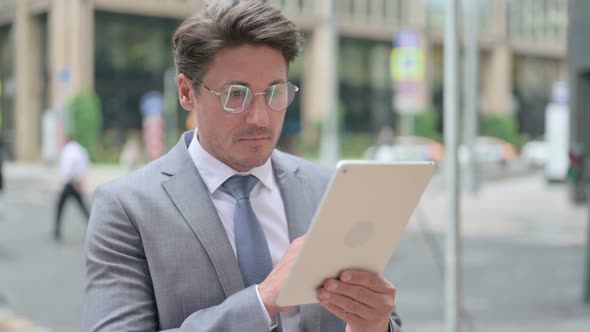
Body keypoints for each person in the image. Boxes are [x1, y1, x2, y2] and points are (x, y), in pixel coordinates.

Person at [82, 1, 402, 331]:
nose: (260, 118)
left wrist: (374, 325)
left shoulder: (327, 188)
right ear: (186, 93)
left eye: (275, 92)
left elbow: (373, 317)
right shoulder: (126, 207)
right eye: (236, 95)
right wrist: (262, 302)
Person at [54, 136, 90, 241]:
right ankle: (92, 226)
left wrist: (68, 180)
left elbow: (68, 167)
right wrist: (81, 181)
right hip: (77, 182)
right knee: (83, 207)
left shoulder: (68, 150)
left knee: (60, 207)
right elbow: (86, 166)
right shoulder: (81, 150)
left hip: (70, 182)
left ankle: (57, 230)